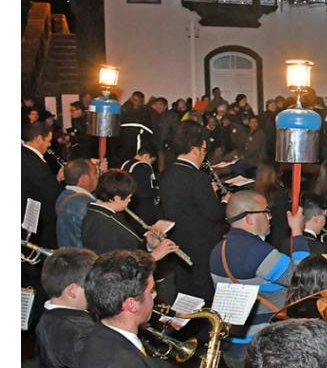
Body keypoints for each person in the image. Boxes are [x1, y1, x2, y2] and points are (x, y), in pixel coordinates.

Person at [210, 190, 310, 348]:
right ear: (249, 218)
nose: (270, 217)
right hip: (263, 342)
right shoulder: (257, 252)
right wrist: (297, 231)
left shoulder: (218, 249)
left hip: (231, 340)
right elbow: (305, 276)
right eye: (266, 212)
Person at [159, 121, 228, 301]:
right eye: (204, 151)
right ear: (196, 149)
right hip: (201, 246)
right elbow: (214, 213)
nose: (203, 156)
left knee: (183, 290)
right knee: (203, 292)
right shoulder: (198, 178)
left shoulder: (166, 174)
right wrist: (223, 201)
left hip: (177, 243)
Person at [81, 170, 179, 260]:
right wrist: (152, 257)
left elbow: (127, 249)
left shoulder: (104, 215)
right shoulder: (101, 223)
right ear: (117, 198)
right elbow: (111, 268)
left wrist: (149, 245)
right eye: (129, 197)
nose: (130, 201)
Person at [23, 120, 63, 248]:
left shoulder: (23, 155)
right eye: (48, 140)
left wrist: (56, 178)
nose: (49, 145)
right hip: (37, 225)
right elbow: (52, 193)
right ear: (39, 139)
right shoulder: (34, 163)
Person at [56, 159, 99, 248]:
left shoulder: (63, 196)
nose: (97, 177)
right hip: (82, 258)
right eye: (95, 173)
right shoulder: (86, 205)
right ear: (84, 179)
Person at [121, 144, 160, 224]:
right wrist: (157, 190)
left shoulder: (126, 164)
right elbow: (144, 191)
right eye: (151, 161)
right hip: (143, 210)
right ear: (146, 156)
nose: (151, 164)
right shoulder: (143, 166)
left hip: (128, 208)